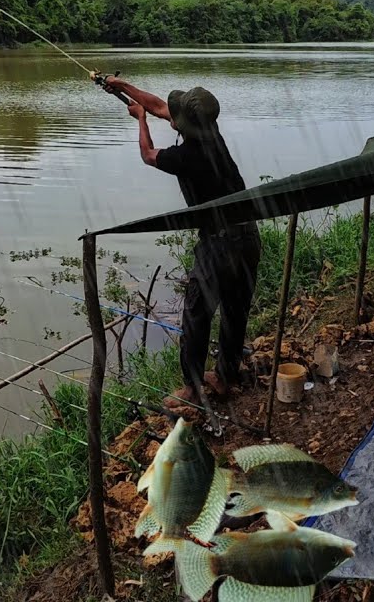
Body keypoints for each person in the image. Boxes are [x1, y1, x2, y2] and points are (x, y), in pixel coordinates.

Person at [101, 75, 262, 410]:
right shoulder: (212, 134)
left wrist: (140, 120)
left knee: (196, 314)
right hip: (248, 237)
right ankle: (225, 376)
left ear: (183, 125)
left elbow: (148, 154)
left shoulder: (186, 156)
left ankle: (192, 387)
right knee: (235, 311)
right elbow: (162, 106)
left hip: (219, 244)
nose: (167, 115)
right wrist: (123, 86)